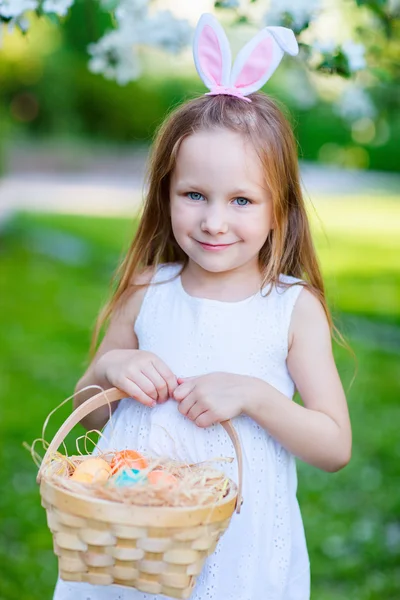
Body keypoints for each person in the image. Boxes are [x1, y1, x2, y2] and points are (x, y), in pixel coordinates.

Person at [53, 13, 352, 600]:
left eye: (241, 200)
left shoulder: (290, 309)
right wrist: (112, 371)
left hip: (236, 544)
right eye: (194, 195)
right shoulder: (148, 290)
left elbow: (334, 444)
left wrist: (256, 397)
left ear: (279, 209)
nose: (214, 221)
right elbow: (89, 411)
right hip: (130, 534)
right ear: (165, 195)